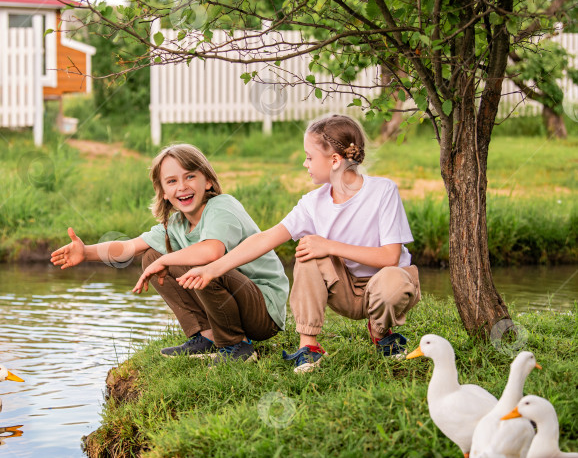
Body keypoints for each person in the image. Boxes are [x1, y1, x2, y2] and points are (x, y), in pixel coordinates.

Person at [179, 115, 420, 373]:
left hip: (386, 284)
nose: (305, 163)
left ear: (335, 160)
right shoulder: (312, 202)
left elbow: (390, 257)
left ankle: (382, 333)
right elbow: (265, 238)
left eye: (309, 157)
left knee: (389, 280)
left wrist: (329, 245)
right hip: (345, 290)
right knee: (308, 249)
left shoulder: (383, 191)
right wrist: (213, 268)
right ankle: (309, 347)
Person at [50, 143, 289, 363]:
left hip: (262, 312)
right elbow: (130, 247)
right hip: (236, 303)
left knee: (198, 264)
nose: (182, 186)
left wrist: (167, 259)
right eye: (172, 181)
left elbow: (211, 251)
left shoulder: (222, 206)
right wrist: (86, 252)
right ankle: (207, 337)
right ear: (163, 192)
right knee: (151, 257)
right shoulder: (176, 225)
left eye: (190, 176)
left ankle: (237, 345)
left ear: (207, 181)